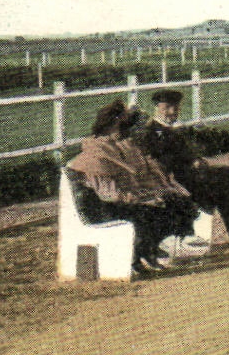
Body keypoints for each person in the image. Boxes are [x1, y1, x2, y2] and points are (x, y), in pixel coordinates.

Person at [65, 101, 203, 276]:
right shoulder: (97, 155)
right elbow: (110, 195)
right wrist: (145, 199)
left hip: (120, 202)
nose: (126, 131)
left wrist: (153, 195)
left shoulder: (115, 148)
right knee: (153, 211)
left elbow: (133, 183)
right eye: (122, 126)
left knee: (174, 203)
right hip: (105, 208)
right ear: (110, 126)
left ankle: (148, 252)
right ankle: (139, 257)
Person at [136, 89, 229, 255]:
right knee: (224, 181)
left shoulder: (171, 129)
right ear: (157, 107)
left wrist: (196, 160)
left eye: (176, 108)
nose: (172, 112)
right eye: (168, 108)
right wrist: (191, 163)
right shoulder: (152, 132)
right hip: (174, 183)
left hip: (187, 178)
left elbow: (184, 153)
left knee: (225, 177)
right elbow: (158, 163)